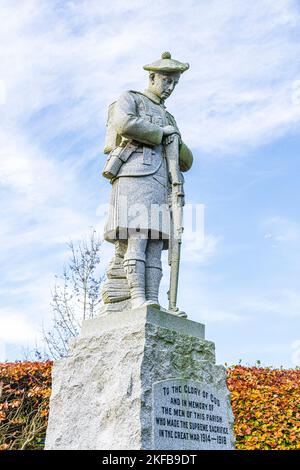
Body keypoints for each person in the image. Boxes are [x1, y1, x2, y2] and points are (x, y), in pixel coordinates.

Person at [102, 52, 193, 311]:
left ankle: (152, 299)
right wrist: (159, 133)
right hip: (133, 177)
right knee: (138, 237)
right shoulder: (130, 98)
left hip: (160, 184)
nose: (170, 87)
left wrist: (174, 139)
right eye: (166, 80)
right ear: (152, 77)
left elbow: (187, 160)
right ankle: (136, 297)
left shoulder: (169, 118)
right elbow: (123, 123)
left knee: (155, 243)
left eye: (174, 82)